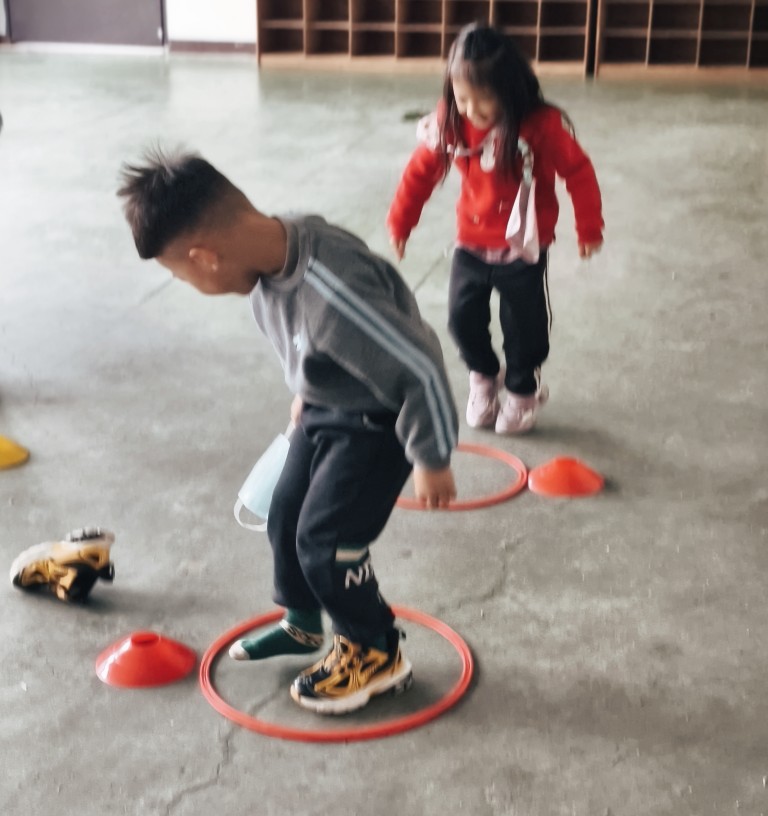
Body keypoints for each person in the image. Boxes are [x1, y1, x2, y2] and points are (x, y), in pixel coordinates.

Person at [117, 149, 458, 715]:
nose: (187, 282)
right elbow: (305, 336)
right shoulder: (270, 256)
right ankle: (303, 622)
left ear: (205, 258)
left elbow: (418, 366)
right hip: (325, 409)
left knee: (326, 543)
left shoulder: (334, 291)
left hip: (377, 426)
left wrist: (432, 455)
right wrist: (305, 389)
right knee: (285, 514)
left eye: (180, 275)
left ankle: (376, 649)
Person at [387, 22, 604, 435]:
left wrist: (589, 226)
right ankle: (484, 376)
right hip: (471, 241)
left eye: (482, 99)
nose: (471, 110)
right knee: (461, 318)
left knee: (523, 325)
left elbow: (578, 172)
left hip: (524, 244)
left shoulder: (540, 125)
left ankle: (522, 389)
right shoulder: (451, 123)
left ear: (508, 88)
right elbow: (421, 172)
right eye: (462, 98)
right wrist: (401, 220)